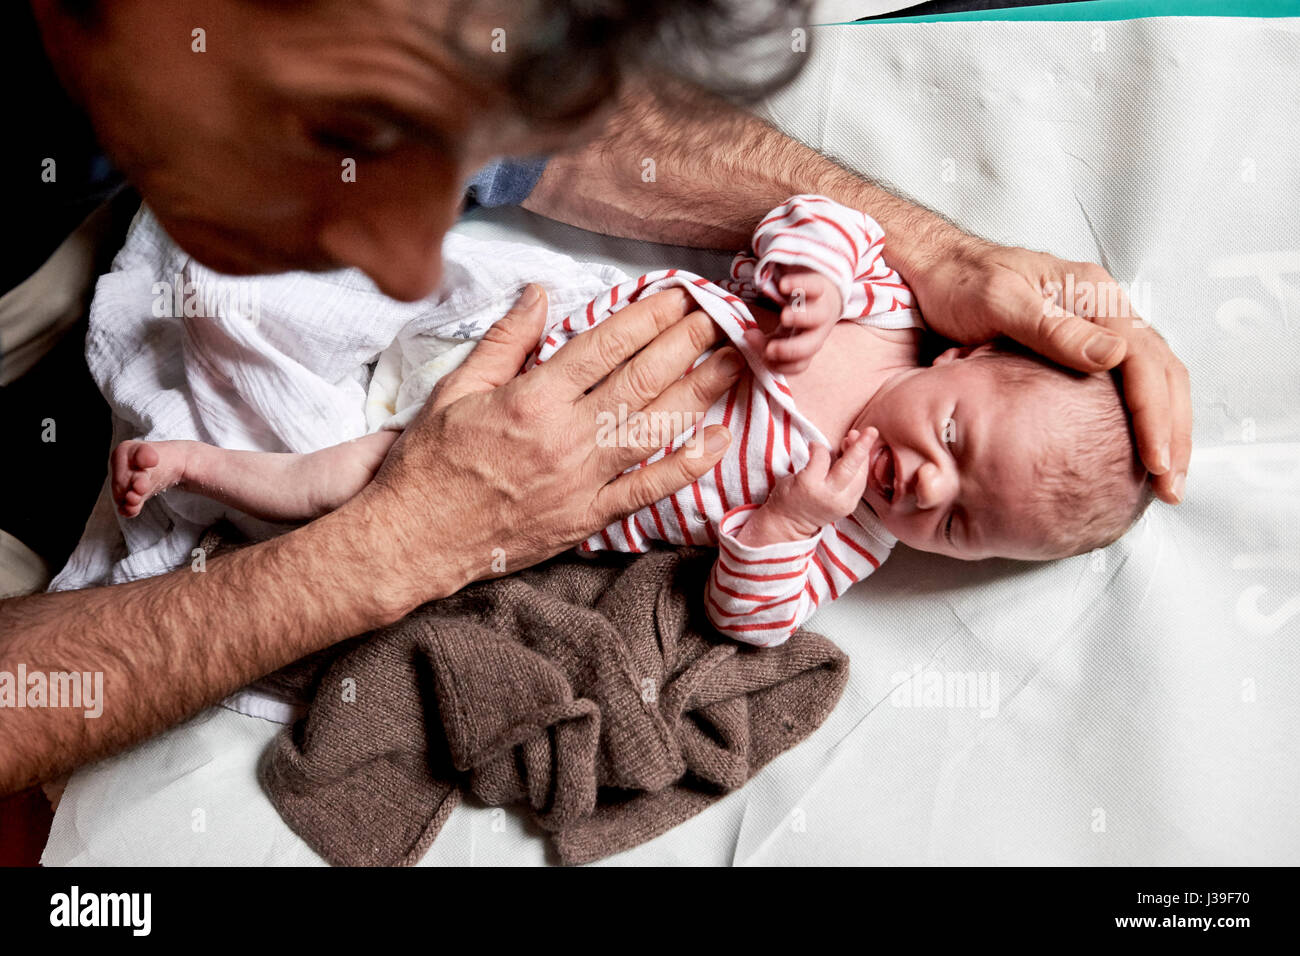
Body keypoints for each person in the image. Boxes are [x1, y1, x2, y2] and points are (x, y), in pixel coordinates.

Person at [0, 0, 1190, 796]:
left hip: (516, 430)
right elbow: (818, 237)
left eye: (965, 521)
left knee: (345, 468)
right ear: (950, 368)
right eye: (958, 442)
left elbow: (751, 607)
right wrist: (814, 282)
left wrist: (789, 522)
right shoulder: (871, 314)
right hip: (499, 368)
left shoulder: (852, 531)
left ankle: (214, 467)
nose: (929, 486)